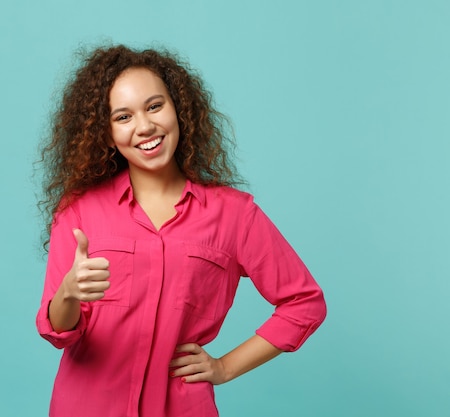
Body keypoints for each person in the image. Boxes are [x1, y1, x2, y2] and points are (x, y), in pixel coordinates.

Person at [36, 44, 326, 417]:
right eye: (123, 117)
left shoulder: (234, 215)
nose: (145, 126)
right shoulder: (79, 210)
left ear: (178, 110)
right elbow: (59, 331)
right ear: (106, 133)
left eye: (155, 106)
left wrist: (224, 367)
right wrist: (69, 293)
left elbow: (304, 303)